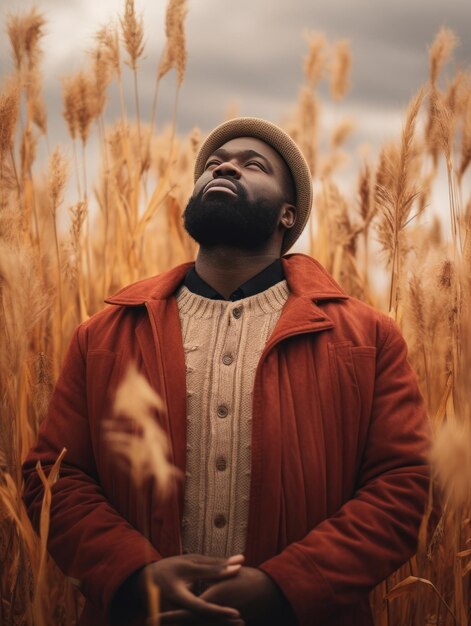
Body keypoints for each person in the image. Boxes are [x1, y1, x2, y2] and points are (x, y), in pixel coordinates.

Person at [22, 117, 431, 626]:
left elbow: (402, 486)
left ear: (288, 213)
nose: (225, 167)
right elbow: (56, 478)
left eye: (252, 164)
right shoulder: (103, 336)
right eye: (213, 164)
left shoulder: (366, 340)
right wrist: (133, 576)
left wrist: (284, 588)